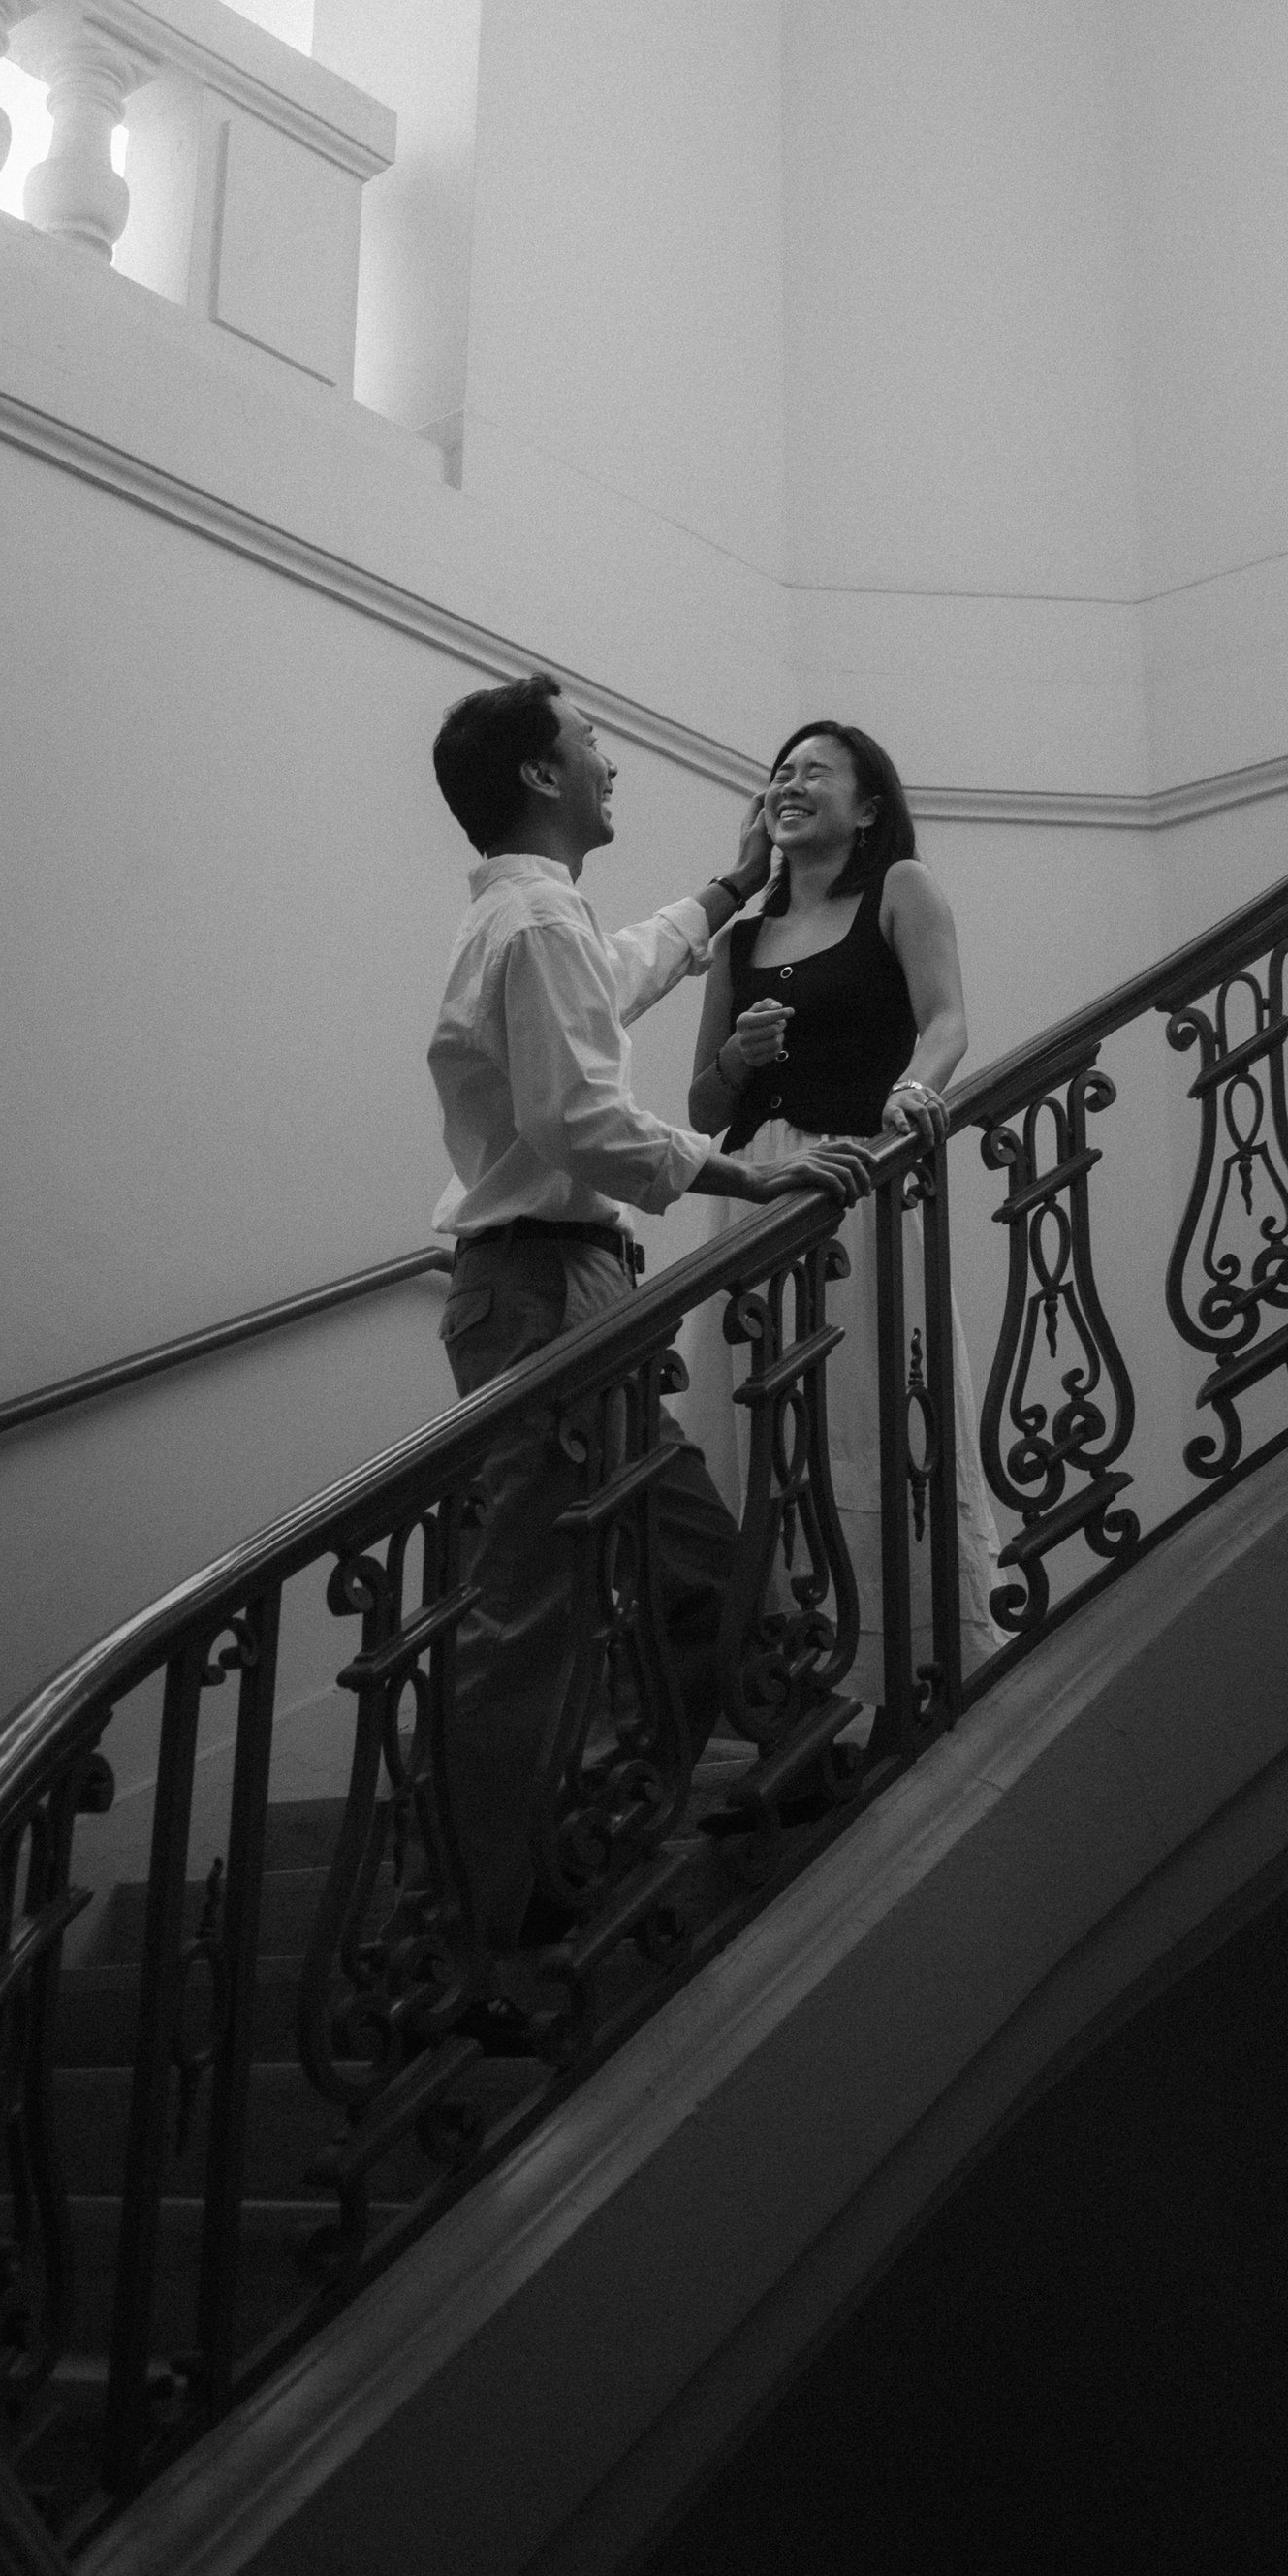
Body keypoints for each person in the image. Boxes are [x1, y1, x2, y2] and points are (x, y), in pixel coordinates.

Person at [426, 672, 870, 1978]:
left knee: (684, 1549)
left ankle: (769, 1758)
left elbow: (615, 978)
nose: (611, 762)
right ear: (545, 779)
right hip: (546, 1285)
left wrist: (728, 894)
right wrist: (749, 1173)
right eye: (593, 744)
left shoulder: (535, 917)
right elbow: (583, 1124)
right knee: (526, 1615)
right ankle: (482, 1930)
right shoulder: (533, 926)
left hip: (564, 1285)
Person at [680, 719, 1003, 1709]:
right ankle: (787, 1676)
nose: (789, 781)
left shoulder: (900, 889)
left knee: (863, 1414)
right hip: (753, 1199)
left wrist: (914, 1086)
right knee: (760, 1426)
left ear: (865, 806)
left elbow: (947, 1016)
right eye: (780, 770)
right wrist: (737, 1057)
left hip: (855, 1182)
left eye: (814, 770)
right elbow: (701, 1108)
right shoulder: (741, 938)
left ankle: (901, 1662)